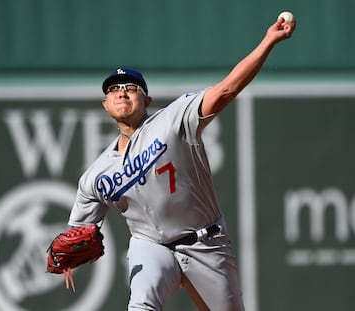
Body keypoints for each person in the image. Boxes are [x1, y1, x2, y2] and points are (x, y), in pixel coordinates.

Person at [68, 16, 295, 311]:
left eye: (130, 87)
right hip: (150, 245)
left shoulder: (173, 119)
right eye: (113, 89)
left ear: (146, 99)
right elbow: (76, 233)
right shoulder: (95, 176)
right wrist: (66, 252)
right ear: (105, 105)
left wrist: (268, 42)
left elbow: (227, 90)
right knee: (141, 305)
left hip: (205, 243)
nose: (121, 91)